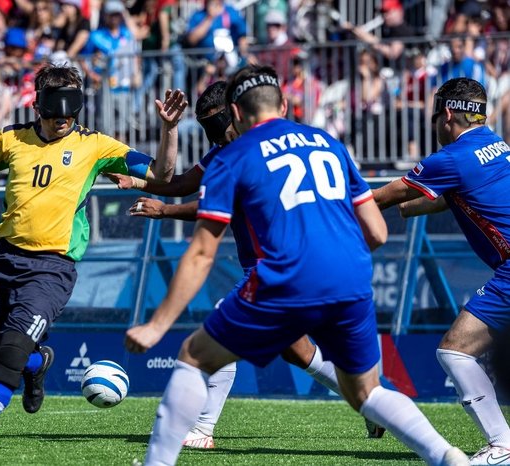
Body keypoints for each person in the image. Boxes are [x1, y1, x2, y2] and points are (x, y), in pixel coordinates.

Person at [124, 64, 469, 466]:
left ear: (235, 113)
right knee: (366, 392)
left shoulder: (233, 156)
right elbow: (375, 231)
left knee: (195, 354)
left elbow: (201, 253)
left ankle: (175, 449)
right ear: (285, 105)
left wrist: (156, 324)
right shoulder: (328, 142)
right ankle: (449, 457)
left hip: (283, 275)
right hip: (350, 273)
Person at [0, 64, 187, 461]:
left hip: (52, 269)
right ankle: (38, 362)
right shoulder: (11, 140)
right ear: (37, 105)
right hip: (3, 260)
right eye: (55, 114)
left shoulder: (95, 146)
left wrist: (169, 129)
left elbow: (162, 173)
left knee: (9, 356)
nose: (63, 122)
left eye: (70, 114)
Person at [110, 79, 385, 447]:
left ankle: (203, 427)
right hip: (314, 265)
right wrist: (140, 181)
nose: (216, 135)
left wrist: (165, 211)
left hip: (279, 265)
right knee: (296, 349)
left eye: (218, 122)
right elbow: (183, 183)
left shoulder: (248, 151)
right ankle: (375, 406)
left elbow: (213, 206)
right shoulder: (240, 147)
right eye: (208, 126)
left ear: (237, 112)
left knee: (217, 333)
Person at [373, 77, 510, 466]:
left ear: (447, 114)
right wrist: (407, 207)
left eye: (435, 117)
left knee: (455, 350)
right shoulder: (497, 147)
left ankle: (502, 445)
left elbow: (383, 197)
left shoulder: (450, 158)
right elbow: (446, 197)